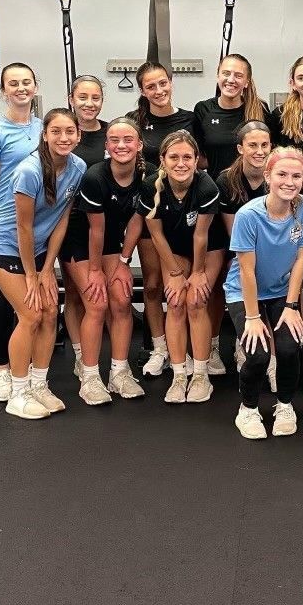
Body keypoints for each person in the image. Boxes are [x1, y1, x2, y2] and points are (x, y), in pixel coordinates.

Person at [0, 108, 84, 419]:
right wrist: (31, 275)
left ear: (78, 135)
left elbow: (61, 220)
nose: (63, 137)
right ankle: (17, 394)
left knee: (49, 314)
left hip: (41, 251)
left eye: (69, 131)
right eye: (55, 131)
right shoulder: (29, 170)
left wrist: (46, 270)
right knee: (30, 314)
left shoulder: (78, 166)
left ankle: (38, 384)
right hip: (6, 247)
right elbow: (23, 227)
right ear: (45, 135)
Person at [224, 147, 303, 439]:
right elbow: (246, 271)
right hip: (244, 293)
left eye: (296, 176)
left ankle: (285, 405)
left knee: (289, 348)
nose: (289, 181)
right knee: (259, 353)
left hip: (280, 292)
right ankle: (248, 409)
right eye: (282, 174)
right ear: (268, 176)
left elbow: (301, 258)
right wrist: (252, 317)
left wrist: (291, 305)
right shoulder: (248, 215)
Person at [136, 130, 227, 404]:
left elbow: (201, 236)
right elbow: (157, 236)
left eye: (187, 157)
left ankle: (200, 376)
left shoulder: (206, 186)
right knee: (175, 301)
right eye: (173, 157)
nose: (181, 163)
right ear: (162, 159)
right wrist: (175, 274)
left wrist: (197, 273)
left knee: (196, 301)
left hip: (209, 248)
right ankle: (178, 376)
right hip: (174, 249)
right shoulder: (151, 186)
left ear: (196, 159)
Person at [61, 117, 147, 406]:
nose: (121, 145)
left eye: (128, 140)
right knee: (97, 303)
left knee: (122, 300)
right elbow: (94, 229)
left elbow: (136, 221)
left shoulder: (146, 176)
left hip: (111, 242)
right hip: (79, 240)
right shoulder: (95, 177)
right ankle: (90, 376)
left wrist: (124, 261)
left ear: (139, 144)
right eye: (115, 140)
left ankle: (119, 373)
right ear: (107, 146)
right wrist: (96, 271)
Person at [129, 61, 199, 377]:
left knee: (181, 286)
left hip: (183, 214)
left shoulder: (190, 119)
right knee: (155, 285)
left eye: (162, 83)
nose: (158, 91)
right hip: (151, 212)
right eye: (150, 86)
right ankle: (159, 350)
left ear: (171, 82)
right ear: (142, 91)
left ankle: (188, 350)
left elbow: (202, 162)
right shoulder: (136, 122)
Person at [0, 63, 43, 403]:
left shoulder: (44, 127)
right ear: (4, 90)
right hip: (6, 227)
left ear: (35, 87)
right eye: (14, 83)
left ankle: (31, 372)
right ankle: (2, 371)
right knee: (3, 305)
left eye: (26, 82)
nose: (21, 88)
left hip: (37, 229)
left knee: (32, 305)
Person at [216, 120, 272, 380]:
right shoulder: (227, 180)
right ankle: (242, 340)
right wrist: (240, 260)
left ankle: (281, 347)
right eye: (252, 145)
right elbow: (232, 232)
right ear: (240, 148)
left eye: (264, 145)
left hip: (273, 250)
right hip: (237, 248)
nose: (259, 151)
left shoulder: (276, 177)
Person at [63, 75, 109, 380]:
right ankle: (81, 357)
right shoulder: (64, 134)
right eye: (83, 97)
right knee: (77, 296)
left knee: (99, 297)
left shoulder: (110, 134)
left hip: (104, 226)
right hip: (70, 226)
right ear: (71, 99)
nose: (89, 104)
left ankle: (97, 359)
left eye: (95, 98)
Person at [194, 53, 272, 180]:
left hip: (254, 187)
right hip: (218, 186)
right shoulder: (203, 109)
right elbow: (198, 157)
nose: (231, 80)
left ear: (246, 82)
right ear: (218, 76)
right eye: (226, 73)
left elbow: (271, 151)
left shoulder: (260, 108)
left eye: (238, 76)